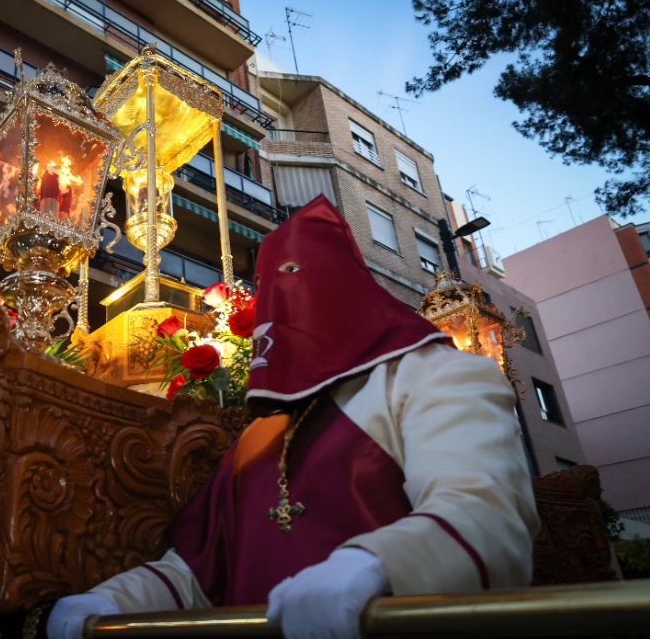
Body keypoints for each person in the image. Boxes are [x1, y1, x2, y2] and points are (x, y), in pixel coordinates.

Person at [47, 195, 540, 639]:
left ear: (346, 286)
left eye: (295, 272)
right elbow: (197, 572)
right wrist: (110, 602)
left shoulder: (435, 375)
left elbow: (485, 517)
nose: (279, 298)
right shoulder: (259, 434)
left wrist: (377, 567)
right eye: (266, 283)